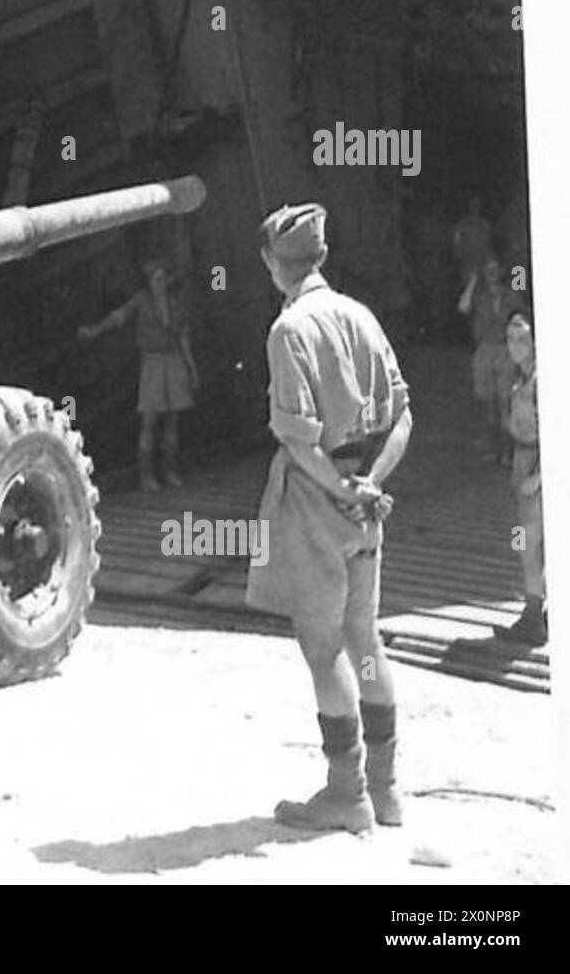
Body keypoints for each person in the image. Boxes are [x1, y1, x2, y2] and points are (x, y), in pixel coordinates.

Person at [247, 203, 414, 832]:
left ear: (272, 264)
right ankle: (387, 790)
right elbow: (404, 416)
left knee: (323, 651)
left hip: (319, 505)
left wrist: (341, 488)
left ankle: (347, 794)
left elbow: (297, 439)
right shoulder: (360, 316)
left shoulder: (289, 331)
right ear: (319, 256)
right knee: (365, 643)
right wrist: (370, 485)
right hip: (364, 502)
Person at [79, 257, 198, 491]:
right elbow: (118, 317)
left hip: (173, 361)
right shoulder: (142, 302)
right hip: (152, 364)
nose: (159, 283)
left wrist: (192, 369)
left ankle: (170, 470)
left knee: (172, 419)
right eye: (155, 279)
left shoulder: (175, 304)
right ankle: (147, 475)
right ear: (150, 282)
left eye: (162, 278)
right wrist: (94, 331)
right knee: (150, 419)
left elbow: (184, 339)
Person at [496, 312, 546, 645]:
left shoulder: (542, 380)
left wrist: (539, 477)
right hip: (521, 459)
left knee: (530, 544)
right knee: (528, 541)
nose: (515, 346)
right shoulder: (518, 375)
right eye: (511, 339)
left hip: (536, 465)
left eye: (522, 339)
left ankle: (532, 618)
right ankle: (537, 611)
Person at [458, 253, 525, 462]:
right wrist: (473, 281)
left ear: (502, 272)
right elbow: (463, 307)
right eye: (488, 270)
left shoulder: (511, 292)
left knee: (506, 400)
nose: (492, 274)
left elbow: (522, 310)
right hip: (485, 349)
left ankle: (507, 450)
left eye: (496, 270)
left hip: (505, 349)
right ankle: (492, 447)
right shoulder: (480, 295)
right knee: (488, 401)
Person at [451, 194, 493, 289]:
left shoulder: (485, 224)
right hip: (468, 264)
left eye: (477, 204)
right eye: (473, 204)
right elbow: (456, 245)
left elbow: (488, 245)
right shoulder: (461, 225)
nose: (475, 206)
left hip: (483, 264)